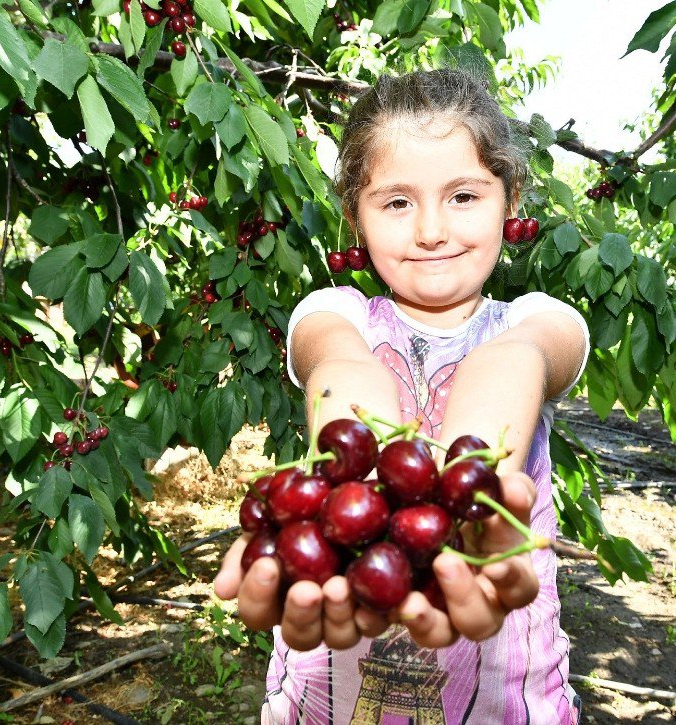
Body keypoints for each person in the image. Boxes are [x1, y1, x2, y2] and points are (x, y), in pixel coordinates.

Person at [214, 68, 590, 724]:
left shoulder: (538, 321)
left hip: (504, 702)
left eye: (463, 196)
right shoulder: (335, 314)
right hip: (331, 699)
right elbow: (342, 368)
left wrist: (465, 489)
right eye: (396, 203)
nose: (431, 230)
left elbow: (515, 360)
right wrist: (353, 493)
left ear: (511, 200)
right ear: (355, 217)